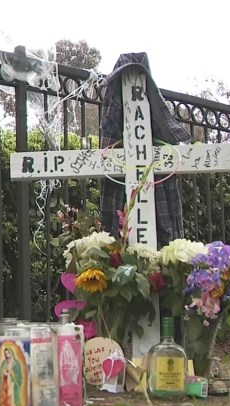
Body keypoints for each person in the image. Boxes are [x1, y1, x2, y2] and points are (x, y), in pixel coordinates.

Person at [99, 52, 191, 346]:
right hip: (126, 190)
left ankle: (164, 344)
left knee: (163, 268)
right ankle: (123, 348)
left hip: (154, 198)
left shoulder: (162, 146)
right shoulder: (114, 143)